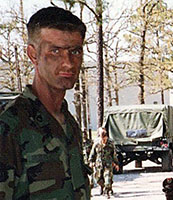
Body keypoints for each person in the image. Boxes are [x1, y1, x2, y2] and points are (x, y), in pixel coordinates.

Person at [0, 6, 91, 200]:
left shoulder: (69, 124)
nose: (68, 63)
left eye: (75, 51)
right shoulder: (10, 126)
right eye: (55, 51)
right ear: (33, 55)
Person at [89, 127, 119, 199]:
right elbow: (92, 153)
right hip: (99, 165)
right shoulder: (96, 143)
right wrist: (91, 161)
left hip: (108, 164)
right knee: (98, 179)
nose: (104, 141)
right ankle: (102, 186)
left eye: (105, 139)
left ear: (106, 137)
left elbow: (114, 154)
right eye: (102, 139)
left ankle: (107, 192)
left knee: (108, 178)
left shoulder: (110, 143)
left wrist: (116, 163)